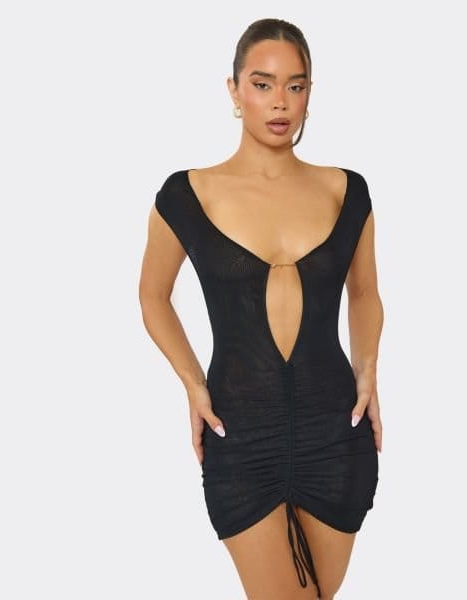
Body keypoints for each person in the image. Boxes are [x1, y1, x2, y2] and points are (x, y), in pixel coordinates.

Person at [139, 17, 384, 600]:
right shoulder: (188, 194)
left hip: (337, 431)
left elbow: (365, 292)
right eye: (262, 84)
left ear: (309, 93)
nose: (280, 102)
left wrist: (368, 370)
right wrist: (193, 383)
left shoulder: (345, 190)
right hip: (239, 434)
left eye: (295, 86)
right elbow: (152, 294)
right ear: (234, 90)